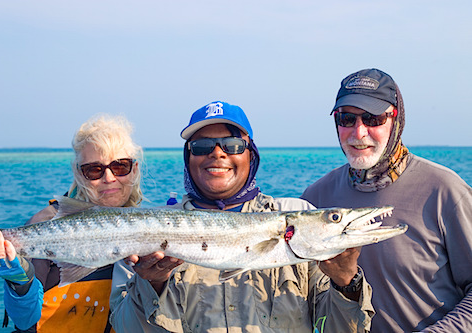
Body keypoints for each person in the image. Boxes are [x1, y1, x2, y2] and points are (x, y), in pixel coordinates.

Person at [109, 101, 374, 333]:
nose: (217, 153)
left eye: (232, 144)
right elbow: (125, 327)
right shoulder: (145, 230)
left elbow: (339, 328)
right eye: (201, 147)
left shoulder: (299, 213)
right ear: (188, 157)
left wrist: (345, 284)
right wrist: (151, 285)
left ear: (251, 154)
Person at [301, 68, 472, 332]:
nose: (358, 132)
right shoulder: (314, 200)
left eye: (373, 118)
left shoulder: (445, 191)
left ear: (396, 120)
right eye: (347, 118)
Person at [0, 114, 143, 332]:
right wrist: (21, 281)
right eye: (94, 169)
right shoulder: (46, 221)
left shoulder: (145, 226)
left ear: (135, 169)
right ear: (79, 173)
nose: (109, 178)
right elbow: (25, 320)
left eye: (120, 166)